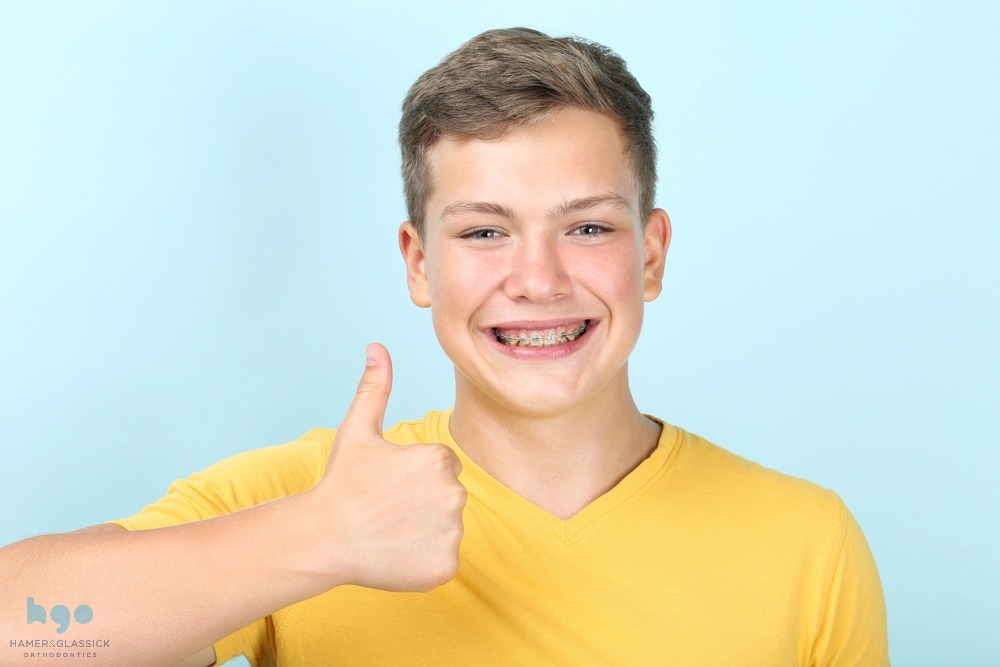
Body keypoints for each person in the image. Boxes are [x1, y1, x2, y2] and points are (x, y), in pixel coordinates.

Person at [0, 28, 889, 666]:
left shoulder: (809, 541)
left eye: (584, 226)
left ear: (650, 254)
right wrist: (317, 537)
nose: (537, 279)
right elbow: (22, 630)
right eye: (484, 233)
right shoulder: (300, 501)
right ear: (418, 263)